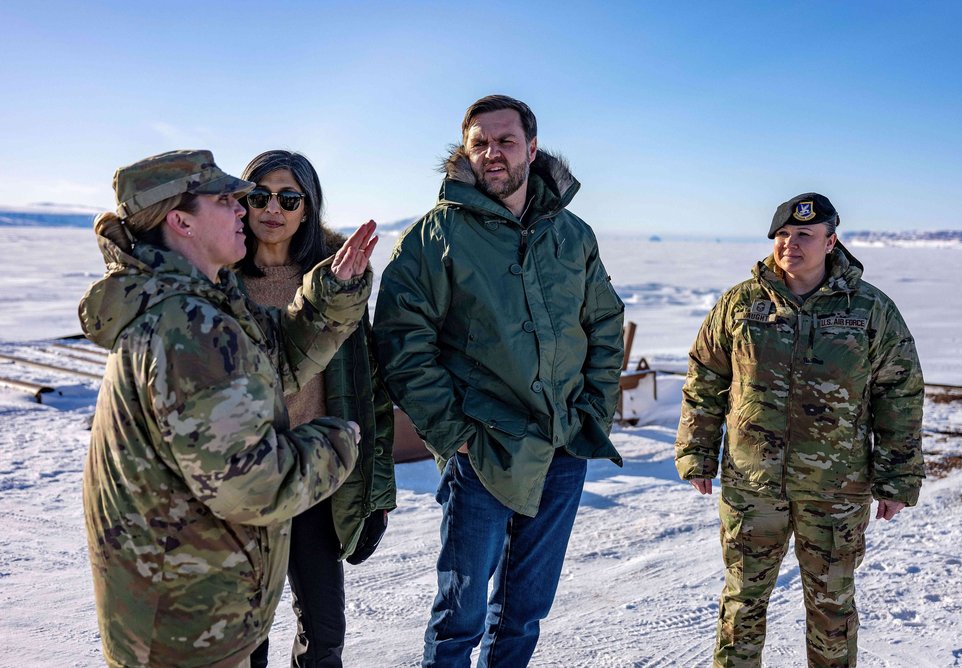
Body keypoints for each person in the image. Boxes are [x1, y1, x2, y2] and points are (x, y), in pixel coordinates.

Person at [79, 149, 378, 668]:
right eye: (229, 200)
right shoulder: (188, 327)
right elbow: (252, 485)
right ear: (181, 222)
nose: (246, 209)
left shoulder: (197, 303)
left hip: (193, 596)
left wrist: (330, 297)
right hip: (188, 619)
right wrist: (336, 443)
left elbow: (276, 359)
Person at [373, 94, 625, 667]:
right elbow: (401, 341)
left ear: (532, 149)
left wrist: (593, 408)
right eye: (480, 142)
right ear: (465, 151)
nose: (493, 153)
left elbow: (604, 322)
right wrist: (452, 431)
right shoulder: (434, 237)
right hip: (483, 448)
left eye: (506, 141)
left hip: (563, 443)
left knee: (525, 611)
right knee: (459, 617)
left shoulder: (572, 234)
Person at [674, 192, 924, 667]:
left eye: (804, 235)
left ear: (831, 242)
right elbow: (705, 378)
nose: (791, 244)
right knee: (741, 603)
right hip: (753, 485)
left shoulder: (869, 310)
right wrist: (696, 451)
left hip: (837, 489)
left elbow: (901, 393)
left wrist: (898, 477)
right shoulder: (741, 304)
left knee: (831, 608)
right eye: (783, 235)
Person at [238, 150, 396, 668]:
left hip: (315, 476)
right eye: (259, 196)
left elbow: (367, 387)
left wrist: (376, 492)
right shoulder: (222, 282)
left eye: (289, 198)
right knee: (243, 636)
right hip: (244, 481)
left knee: (324, 633)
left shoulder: (337, 283)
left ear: (307, 208)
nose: (273, 209)